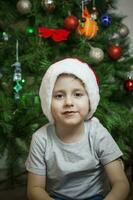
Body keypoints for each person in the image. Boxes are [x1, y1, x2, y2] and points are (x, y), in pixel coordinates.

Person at [25, 58, 129, 200]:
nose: (69, 102)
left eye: (78, 94)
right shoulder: (41, 138)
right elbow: (34, 189)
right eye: (59, 96)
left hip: (96, 197)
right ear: (48, 101)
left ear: (90, 99)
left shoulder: (98, 133)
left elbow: (120, 183)